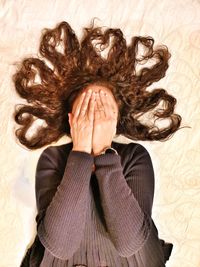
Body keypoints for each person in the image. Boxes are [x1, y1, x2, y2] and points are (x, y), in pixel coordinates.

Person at [13, 19, 185, 266]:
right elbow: (60, 245)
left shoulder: (133, 156)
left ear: (115, 122)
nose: (94, 116)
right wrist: (81, 152)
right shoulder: (54, 158)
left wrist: (105, 152)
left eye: (104, 111)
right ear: (72, 120)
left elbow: (129, 242)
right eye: (86, 110)